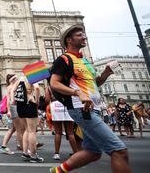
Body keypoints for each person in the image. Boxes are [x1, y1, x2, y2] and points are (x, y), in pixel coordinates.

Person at [49, 25, 130, 173]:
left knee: (93, 152)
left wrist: (106, 73)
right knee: (119, 151)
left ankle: (57, 171)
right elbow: (54, 83)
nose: (84, 37)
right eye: (80, 35)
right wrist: (77, 93)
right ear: (69, 40)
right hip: (82, 109)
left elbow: (95, 83)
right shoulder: (64, 59)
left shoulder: (85, 61)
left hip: (95, 108)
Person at [12, 75, 43, 163]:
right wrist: (37, 101)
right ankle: (33, 155)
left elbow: (13, 90)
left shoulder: (20, 79)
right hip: (29, 104)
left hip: (20, 105)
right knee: (32, 131)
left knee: (26, 130)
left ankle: (25, 153)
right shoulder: (32, 78)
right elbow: (37, 88)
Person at [45, 85, 78, 160]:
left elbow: (47, 100)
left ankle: (57, 154)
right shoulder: (68, 82)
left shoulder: (50, 86)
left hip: (55, 105)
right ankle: (76, 153)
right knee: (70, 132)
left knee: (58, 132)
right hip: (68, 104)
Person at [0, 74, 20, 155]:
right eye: (16, 78)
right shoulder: (11, 87)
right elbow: (8, 100)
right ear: (13, 79)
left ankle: (20, 144)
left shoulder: (11, 87)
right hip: (13, 109)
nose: (17, 80)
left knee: (15, 129)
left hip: (13, 109)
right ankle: (4, 146)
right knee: (13, 129)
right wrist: (9, 111)